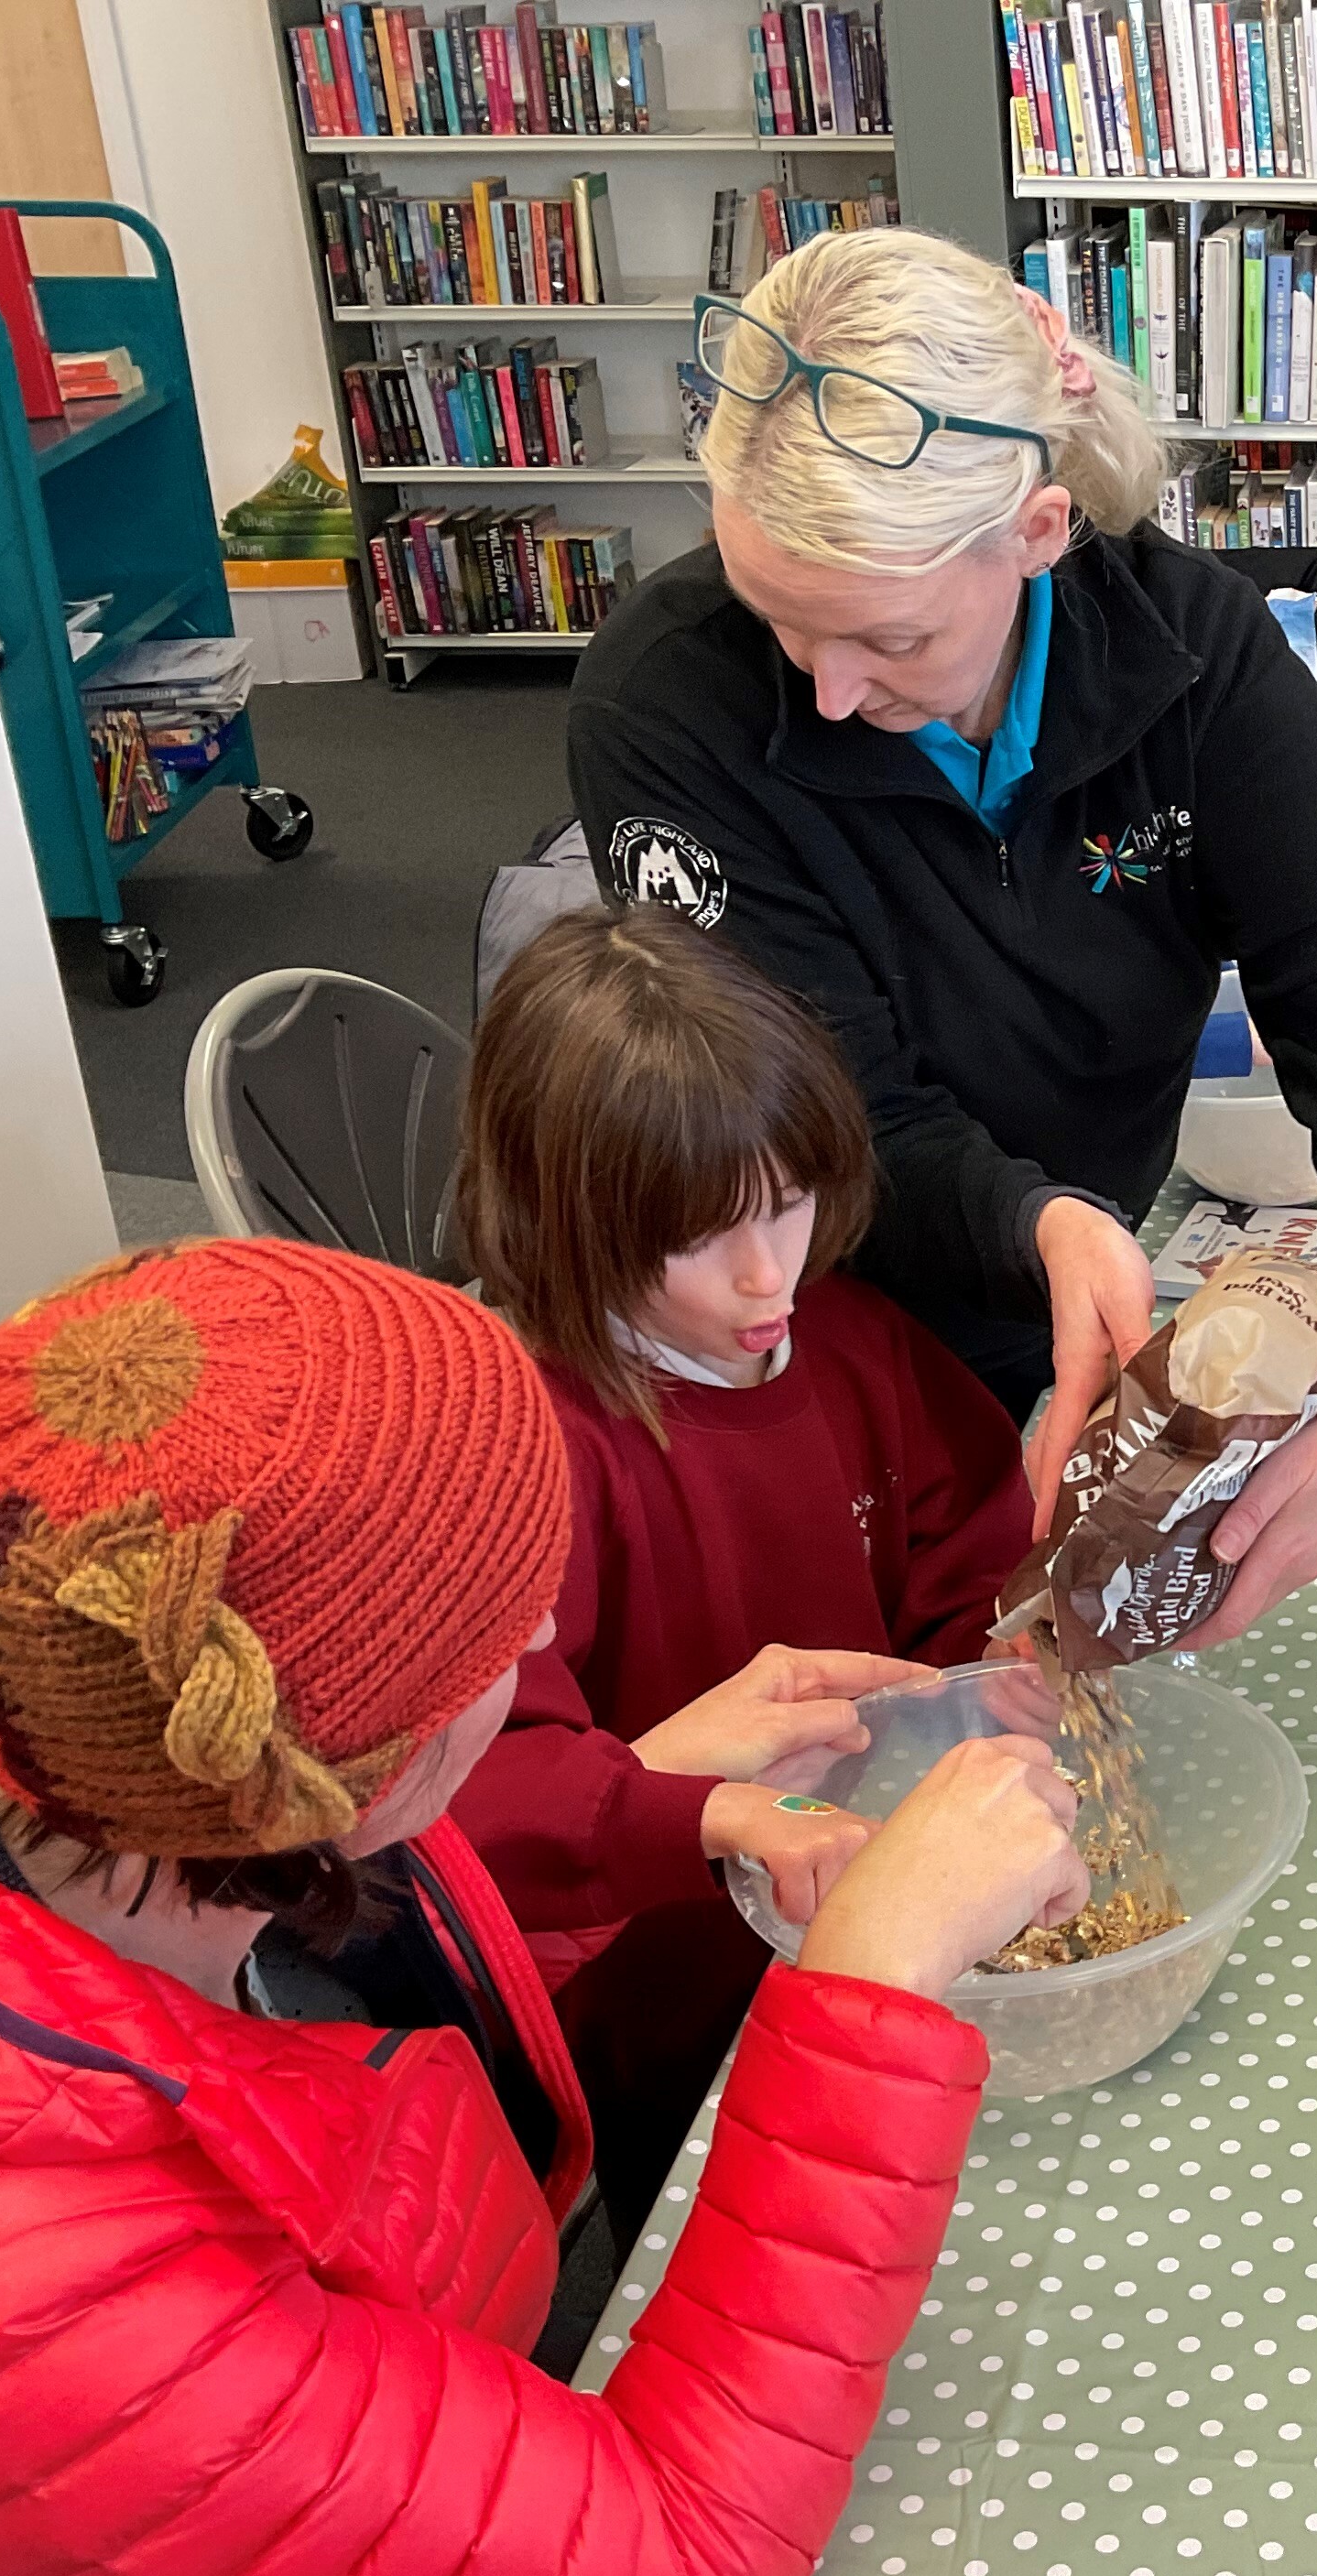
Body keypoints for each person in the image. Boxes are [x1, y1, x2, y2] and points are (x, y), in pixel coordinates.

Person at [0, 1239, 1087, 2576]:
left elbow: (361, 2033)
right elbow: (676, 2571)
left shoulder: (61, 1747)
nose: (542, 1639)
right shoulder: (8, 2301)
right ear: (355, 1760)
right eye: (499, 1618)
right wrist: (870, 1993)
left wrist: (650, 1790)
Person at [567, 227, 1317, 1649]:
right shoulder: (666, 708)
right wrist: (1038, 1221)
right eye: (779, 616)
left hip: (1083, 1263)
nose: (823, 690)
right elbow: (821, 1102)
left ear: (1038, 534)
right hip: (788, 1315)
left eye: (890, 637)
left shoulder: (1202, 657)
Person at [445, 905, 1039, 2245]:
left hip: (886, 1909)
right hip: (667, 1993)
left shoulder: (849, 1340)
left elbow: (970, 1540)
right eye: (702, 1238)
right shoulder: (521, 1447)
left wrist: (1000, 1662)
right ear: (564, 1221)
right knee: (732, 2237)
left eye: (787, 1203)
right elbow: (481, 1789)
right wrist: (691, 1808)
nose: (767, 1272)